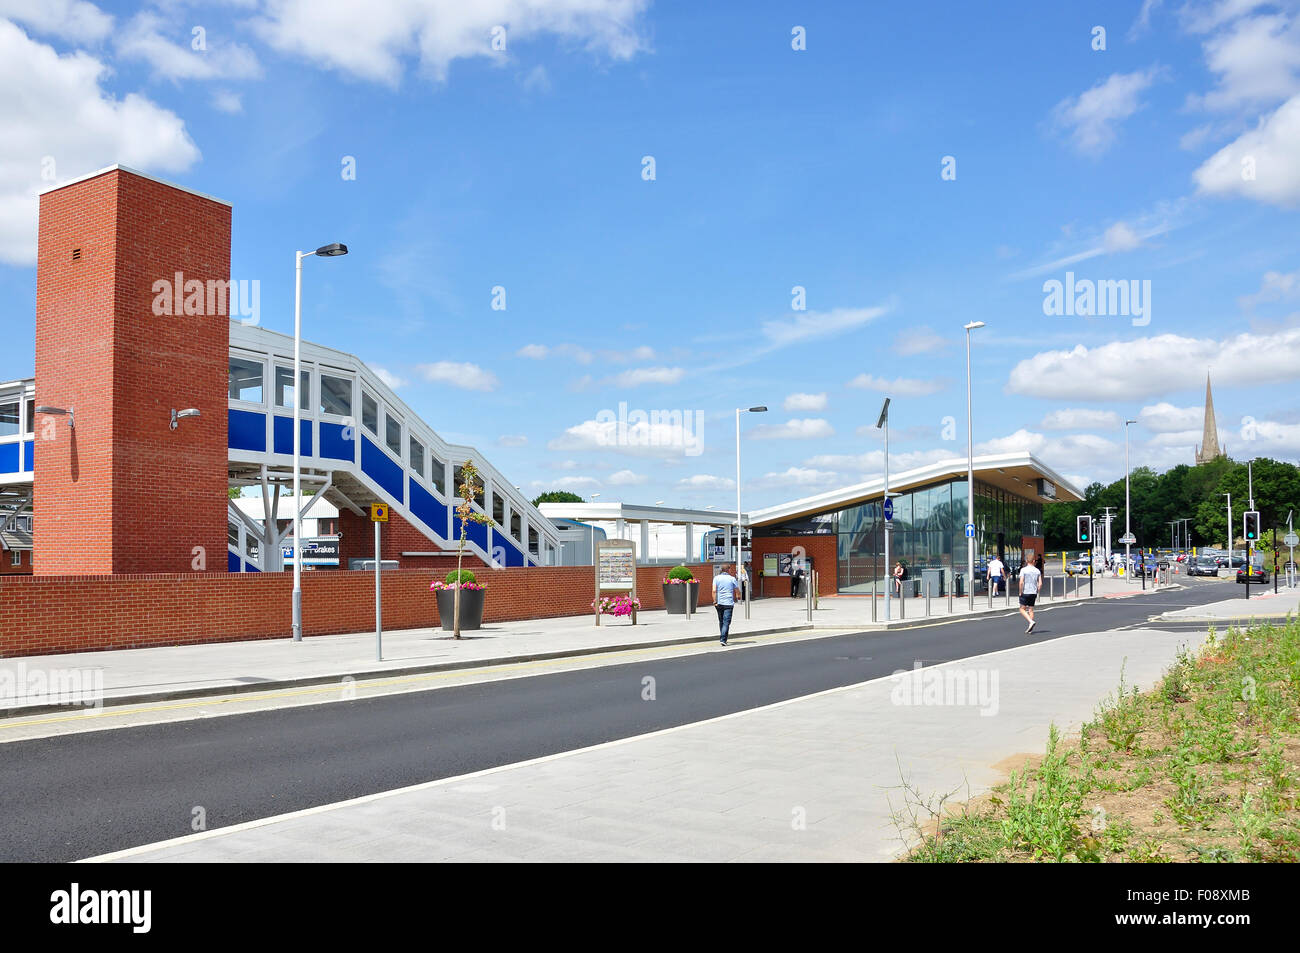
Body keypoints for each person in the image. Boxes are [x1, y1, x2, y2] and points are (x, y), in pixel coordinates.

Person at [713, 563, 741, 646]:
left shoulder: (716, 578)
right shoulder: (732, 579)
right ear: (728, 569)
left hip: (719, 603)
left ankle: (722, 636)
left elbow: (714, 591)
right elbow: (737, 590)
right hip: (728, 603)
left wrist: (714, 601)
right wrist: (738, 597)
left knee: (721, 621)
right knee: (726, 622)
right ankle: (723, 639)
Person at [1019, 550, 1042, 634]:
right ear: (1034, 561)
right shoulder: (1037, 571)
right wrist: (1037, 591)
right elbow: (1040, 584)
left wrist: (1020, 592)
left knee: (1022, 609)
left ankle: (1030, 622)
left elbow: (1021, 582)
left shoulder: (1023, 570)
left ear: (1026, 561)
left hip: (1025, 591)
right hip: (1033, 592)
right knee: (1031, 610)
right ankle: (1030, 625)